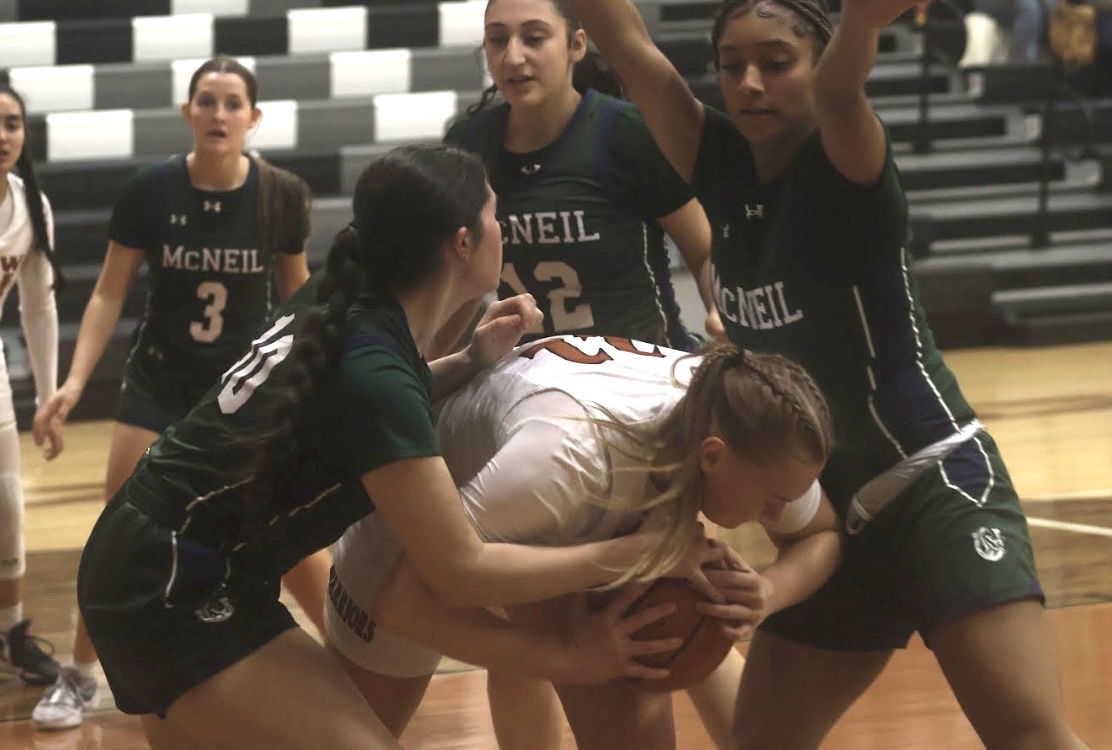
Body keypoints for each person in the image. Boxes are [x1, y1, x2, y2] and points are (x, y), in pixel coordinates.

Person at [73, 144, 723, 750]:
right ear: (463, 243)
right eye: (496, 214)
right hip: (164, 589)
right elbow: (458, 571)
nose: (506, 226)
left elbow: (355, 409)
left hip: (165, 562)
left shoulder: (347, 303)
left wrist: (468, 360)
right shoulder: (374, 371)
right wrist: (637, 556)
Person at [568, 0, 1090, 748]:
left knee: (1028, 734)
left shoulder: (847, 166)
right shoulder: (714, 159)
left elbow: (844, 94)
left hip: (930, 487)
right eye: (732, 65)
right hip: (828, 519)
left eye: (777, 63)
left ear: (814, 62)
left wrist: (863, 23)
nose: (750, 82)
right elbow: (625, 39)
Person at [324, 333, 843, 749]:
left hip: (550, 514)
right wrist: (575, 650)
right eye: (773, 500)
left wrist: (769, 590)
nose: (776, 514)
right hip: (415, 523)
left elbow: (820, 533)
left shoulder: (745, 420)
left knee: (631, 708)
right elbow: (406, 602)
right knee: (346, 736)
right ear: (711, 456)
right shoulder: (572, 461)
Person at [29, 56, 331, 731]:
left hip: (242, 388)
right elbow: (108, 291)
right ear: (188, 113)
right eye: (207, 101)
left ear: (253, 117)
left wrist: (313, 388)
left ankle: (343, 648)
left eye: (232, 103)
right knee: (119, 525)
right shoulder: (151, 191)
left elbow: (300, 299)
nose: (219, 114)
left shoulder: (281, 195)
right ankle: (80, 674)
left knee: (281, 520)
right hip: (160, 379)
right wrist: (75, 384)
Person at [438, 0, 723, 356]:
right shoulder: (469, 143)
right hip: (534, 377)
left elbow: (704, 250)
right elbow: (464, 284)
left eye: (534, 38)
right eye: (497, 40)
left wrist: (720, 312)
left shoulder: (627, 132)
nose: (512, 57)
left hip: (643, 368)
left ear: (577, 45)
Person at [0, 84, 65, 687]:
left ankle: (12, 631)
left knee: (7, 502)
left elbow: (38, 310)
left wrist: (47, 398)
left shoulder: (30, 205)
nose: (3, 135)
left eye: (13, 123)